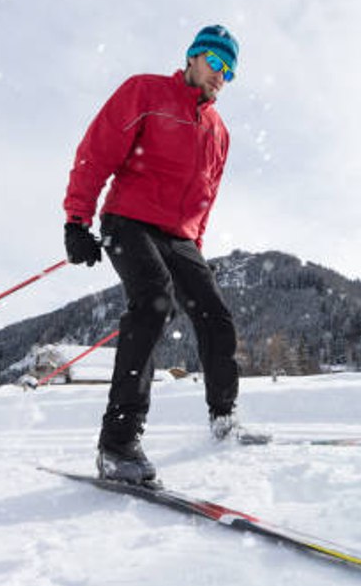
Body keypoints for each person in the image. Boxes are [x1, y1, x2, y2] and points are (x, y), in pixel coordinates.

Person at [61, 25, 242, 484]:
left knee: (216, 317)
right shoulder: (145, 91)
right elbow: (96, 151)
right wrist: (77, 220)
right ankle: (117, 445)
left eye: (231, 71)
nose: (222, 75)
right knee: (154, 302)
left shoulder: (219, 132)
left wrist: (194, 250)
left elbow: (206, 195)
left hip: (180, 238)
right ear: (193, 57)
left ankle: (224, 418)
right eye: (217, 63)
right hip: (129, 219)